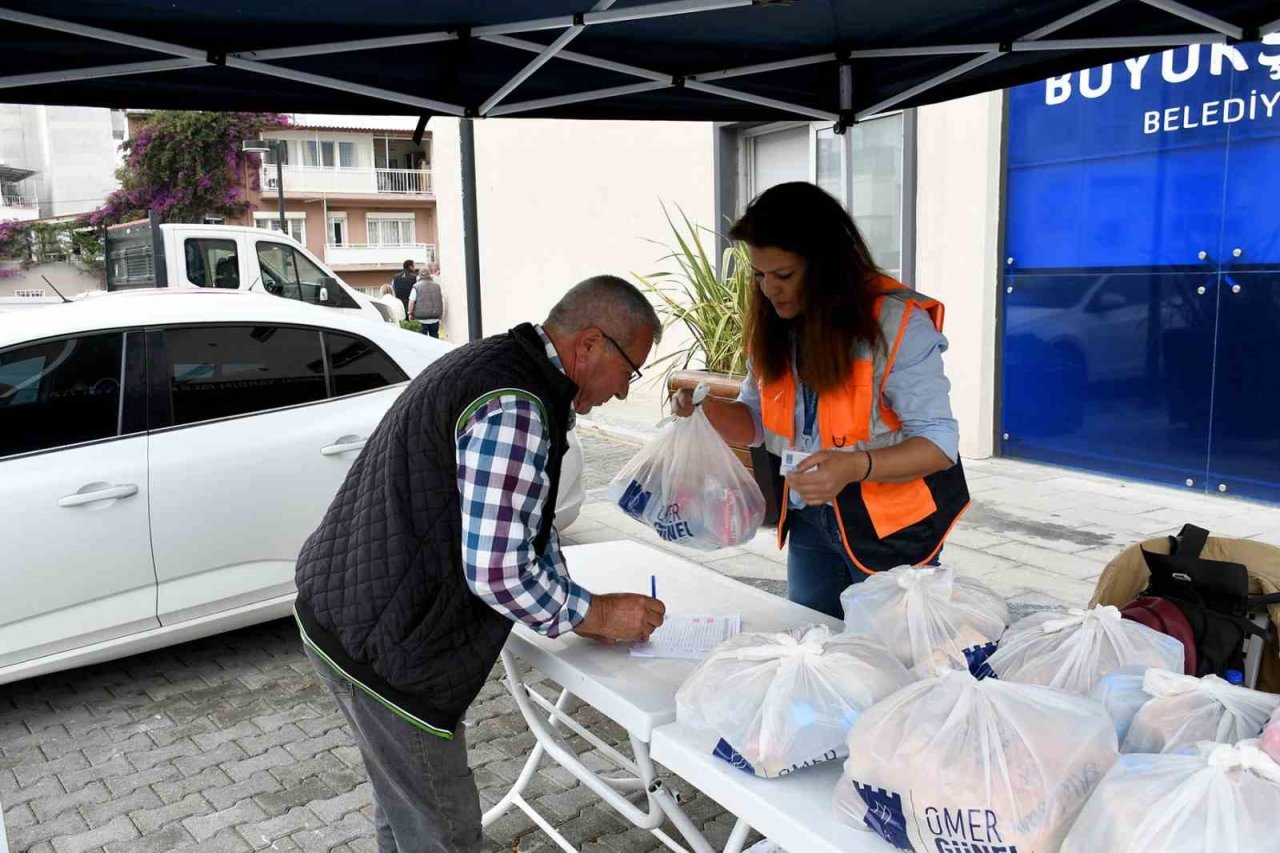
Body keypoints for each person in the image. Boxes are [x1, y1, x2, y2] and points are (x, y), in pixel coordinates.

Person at [294, 275, 666, 853]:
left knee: (406, 812)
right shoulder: (516, 404)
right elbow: (498, 571)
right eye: (631, 370)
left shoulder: (500, 362)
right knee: (442, 832)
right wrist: (593, 614)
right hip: (388, 652)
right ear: (590, 344)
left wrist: (568, 593)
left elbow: (515, 522)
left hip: (346, 614)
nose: (623, 392)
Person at [672, 182, 968, 618]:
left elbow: (940, 444)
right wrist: (708, 410)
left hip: (892, 531)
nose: (769, 289)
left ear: (827, 266)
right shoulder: (774, 327)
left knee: (891, 662)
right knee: (814, 645)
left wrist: (854, 466)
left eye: (784, 275)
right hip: (810, 519)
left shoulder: (896, 325)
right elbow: (758, 420)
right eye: (759, 275)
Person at [408, 268, 444, 338]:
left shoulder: (416, 286)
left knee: (422, 340)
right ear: (429, 275)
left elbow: (411, 302)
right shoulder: (437, 286)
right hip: (435, 318)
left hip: (421, 319)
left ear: (419, 276)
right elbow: (440, 300)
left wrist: (410, 313)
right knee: (434, 338)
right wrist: (441, 315)